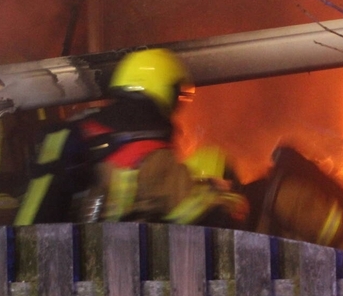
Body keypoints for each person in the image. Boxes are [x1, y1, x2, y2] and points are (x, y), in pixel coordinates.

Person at [14, 48, 248, 227]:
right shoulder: (148, 148)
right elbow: (197, 212)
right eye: (180, 94)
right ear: (166, 88)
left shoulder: (84, 128)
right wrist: (227, 200)